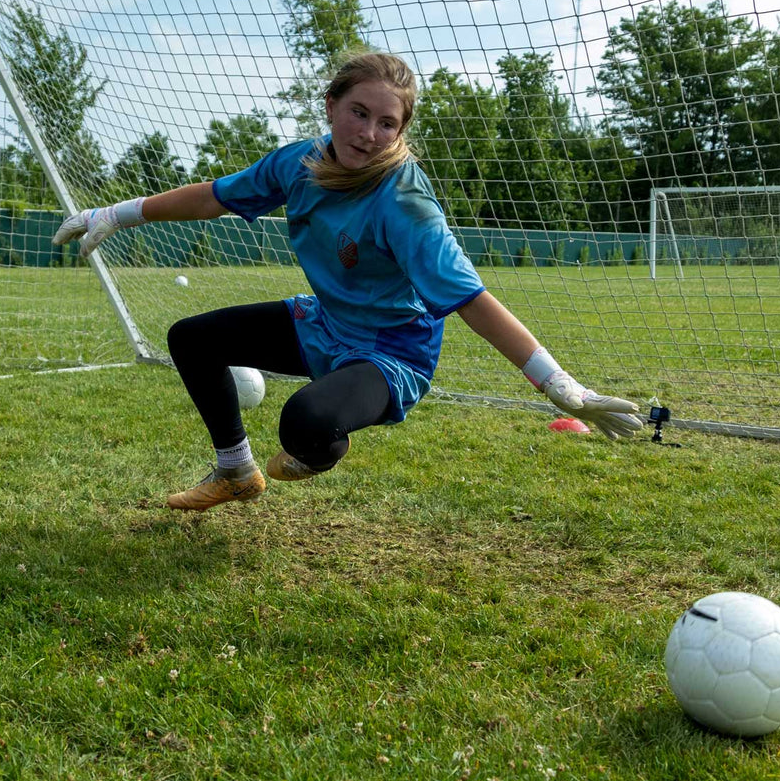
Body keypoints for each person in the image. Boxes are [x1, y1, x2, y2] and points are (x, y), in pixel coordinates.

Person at [54, 51, 644, 511]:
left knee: (307, 425)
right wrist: (117, 213)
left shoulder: (404, 203)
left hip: (392, 355)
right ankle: (235, 471)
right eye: (359, 113)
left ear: (401, 131)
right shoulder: (299, 164)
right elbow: (213, 197)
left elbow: (471, 300)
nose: (369, 133)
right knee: (192, 338)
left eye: (388, 123)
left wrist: (563, 387)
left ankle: (324, 437)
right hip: (325, 324)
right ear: (332, 105)